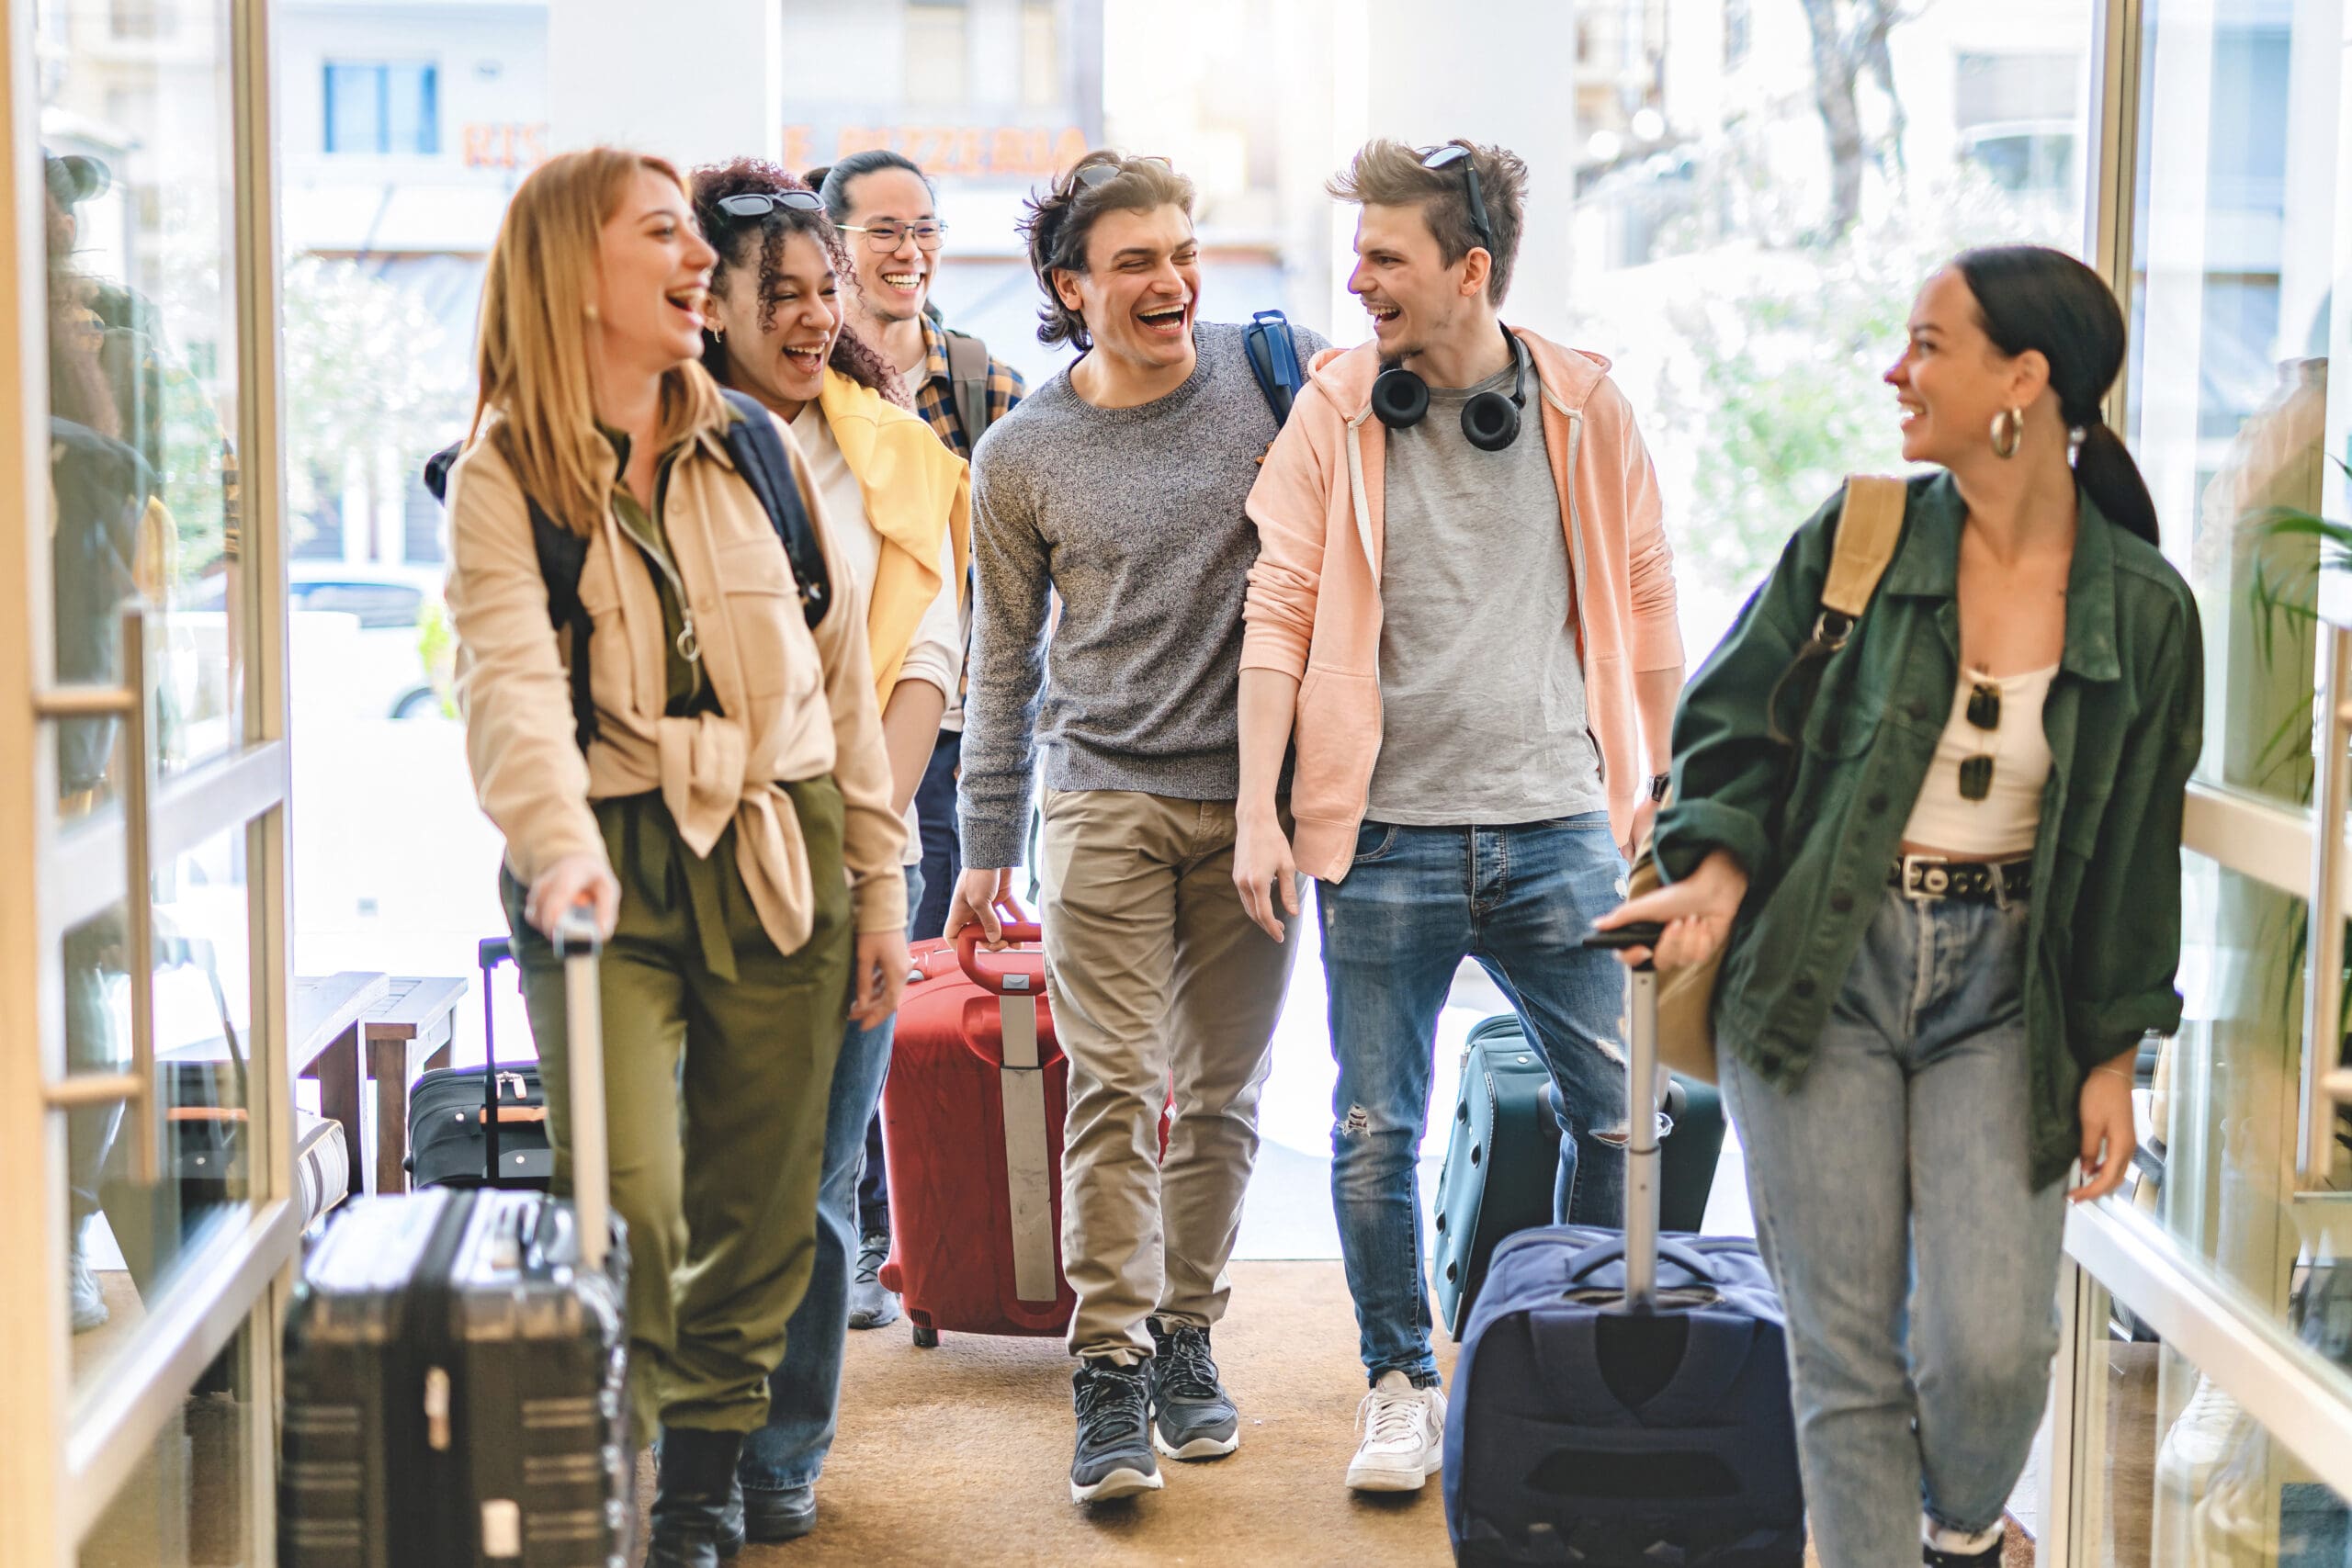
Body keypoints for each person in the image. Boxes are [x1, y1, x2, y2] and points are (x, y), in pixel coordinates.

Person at [1598, 245, 2199, 1568]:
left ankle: (1966, 1529)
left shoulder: (2146, 609)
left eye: (1927, 342)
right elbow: (1733, 723)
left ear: (2023, 380)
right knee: (1846, 1345)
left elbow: (2139, 854)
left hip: (2011, 989)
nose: (1895, 369)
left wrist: (2116, 1052)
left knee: (1990, 1345)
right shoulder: (1860, 532)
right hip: (1825, 965)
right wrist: (1708, 873)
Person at [442, 148, 910, 1568]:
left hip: (783, 842)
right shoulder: (505, 470)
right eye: (663, 236)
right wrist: (561, 848)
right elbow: (510, 687)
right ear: (573, 270)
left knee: (766, 1204)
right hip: (603, 861)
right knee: (631, 1195)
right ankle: (637, 1439)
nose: (696, 259)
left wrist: (880, 888)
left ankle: (700, 1477)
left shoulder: (758, 449)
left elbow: (839, 692)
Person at [1236, 137, 1685, 1495]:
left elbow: (1652, 607)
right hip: (1383, 833)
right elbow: (1280, 610)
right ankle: (1399, 1383)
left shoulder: (1586, 407)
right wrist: (1262, 807)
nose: (1356, 279)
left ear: (1469, 268)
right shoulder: (1333, 408)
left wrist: (1658, 800)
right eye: (1354, 252)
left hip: (1561, 820)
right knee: (1378, 1126)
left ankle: (1562, 1357)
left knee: (1625, 1114)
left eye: (1386, 256)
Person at [945, 151, 1329, 1506]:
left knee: (1222, 1093)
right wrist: (983, 836)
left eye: (1181, 251)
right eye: (1135, 262)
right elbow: (1002, 660)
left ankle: (1186, 1331)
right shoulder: (1021, 454)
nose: (1171, 281)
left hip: (1256, 809)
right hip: (1099, 789)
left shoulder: (1281, 380)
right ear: (1071, 288)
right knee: (1113, 1085)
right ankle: (1104, 1362)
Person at [689, 158, 969, 1545]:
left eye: (824, 291)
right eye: (779, 293)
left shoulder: (893, 449)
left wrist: (874, 834)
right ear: (709, 301)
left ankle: (778, 1450)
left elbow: (929, 647)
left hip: (855, 849)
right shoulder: (657, 437)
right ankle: (687, 1445)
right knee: (689, 1166)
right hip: (689, 849)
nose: (811, 317)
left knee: (810, 1176)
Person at [809, 148, 1029, 1327]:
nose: (910, 252)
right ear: (831, 245)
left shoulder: (981, 381)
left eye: (925, 230)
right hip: (833, 723)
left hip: (951, 726)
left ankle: (908, 1231)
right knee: (845, 978)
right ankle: (846, 1228)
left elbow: (1010, 572)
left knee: (928, 974)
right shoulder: (795, 384)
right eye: (885, 231)